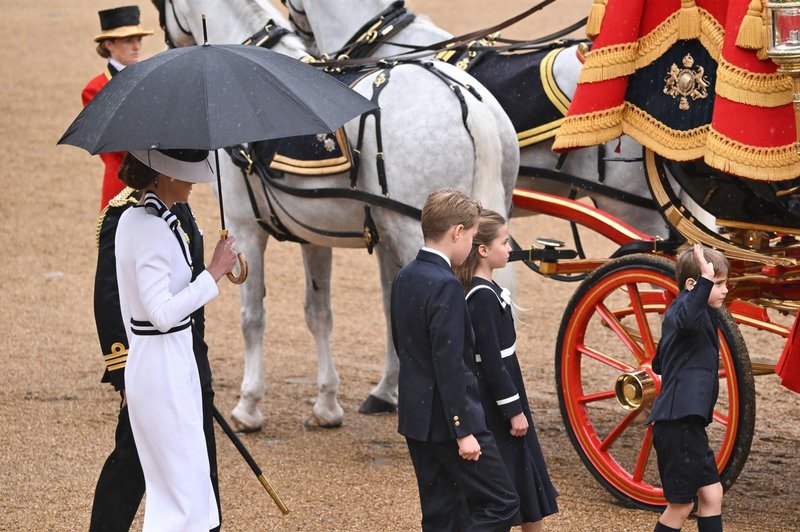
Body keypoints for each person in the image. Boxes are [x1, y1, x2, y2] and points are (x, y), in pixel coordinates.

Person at [114, 148, 237, 531]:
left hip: (164, 359)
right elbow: (161, 314)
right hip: (161, 363)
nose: (194, 182)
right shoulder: (148, 227)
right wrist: (212, 273)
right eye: (187, 174)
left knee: (187, 490)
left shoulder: (146, 220)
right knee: (182, 498)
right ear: (165, 175)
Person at [89, 183, 222, 530]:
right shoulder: (126, 214)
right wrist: (122, 375)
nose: (195, 179)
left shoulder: (178, 209)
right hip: (153, 366)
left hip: (187, 358)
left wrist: (195, 364)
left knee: (199, 474)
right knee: (131, 470)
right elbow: (112, 298)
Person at [390, 188, 519, 532]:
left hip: (417, 418)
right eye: (473, 236)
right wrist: (463, 430)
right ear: (457, 232)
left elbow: (404, 347)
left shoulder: (405, 276)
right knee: (503, 503)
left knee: (441, 515)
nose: (473, 244)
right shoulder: (446, 284)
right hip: (451, 422)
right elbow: (448, 364)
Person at [455, 209, 559, 532]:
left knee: (523, 474)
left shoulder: (485, 290)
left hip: (507, 388)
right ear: (483, 250)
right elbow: (491, 364)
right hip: (499, 402)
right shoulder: (480, 297)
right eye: (504, 242)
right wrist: (513, 410)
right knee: (514, 476)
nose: (511, 248)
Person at [646, 243, 730, 532]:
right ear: (693, 285)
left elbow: (659, 363)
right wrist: (705, 282)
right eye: (718, 283)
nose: (724, 290)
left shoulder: (691, 315)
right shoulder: (684, 311)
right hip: (677, 424)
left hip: (688, 425)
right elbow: (685, 318)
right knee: (681, 506)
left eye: (723, 283)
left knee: (712, 494)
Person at [82, 6, 153, 210]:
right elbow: (115, 142)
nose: (137, 46)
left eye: (139, 39)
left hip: (161, 182)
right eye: (128, 40)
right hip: (123, 185)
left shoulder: (151, 79)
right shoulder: (95, 89)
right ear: (109, 44)